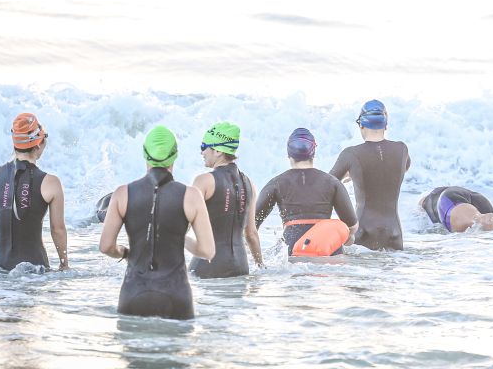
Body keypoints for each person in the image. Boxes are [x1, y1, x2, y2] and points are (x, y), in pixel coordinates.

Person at [99, 125, 215, 320]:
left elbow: (106, 246)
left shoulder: (122, 194)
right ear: (175, 155)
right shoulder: (191, 195)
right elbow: (207, 250)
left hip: (133, 295)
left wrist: (126, 252)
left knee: (133, 351)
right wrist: (180, 238)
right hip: (177, 296)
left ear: (145, 154)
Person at [0, 113, 69, 271]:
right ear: (38, 144)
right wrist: (64, 263)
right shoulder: (51, 183)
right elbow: (57, 229)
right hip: (35, 270)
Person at [255, 128, 358, 257]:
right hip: (327, 251)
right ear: (313, 153)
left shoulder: (275, 183)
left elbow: (251, 227)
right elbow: (352, 227)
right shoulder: (332, 182)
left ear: (288, 154)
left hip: (293, 249)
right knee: (350, 238)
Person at [329, 99, 410, 250]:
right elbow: (400, 169)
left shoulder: (351, 154)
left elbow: (327, 186)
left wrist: (356, 174)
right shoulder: (402, 149)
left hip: (363, 231)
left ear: (361, 124)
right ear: (385, 125)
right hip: (395, 233)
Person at [188, 122, 263, 278]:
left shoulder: (203, 181)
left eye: (204, 146)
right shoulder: (249, 183)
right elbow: (251, 234)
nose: (202, 152)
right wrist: (260, 267)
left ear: (217, 151)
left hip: (207, 268)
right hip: (240, 268)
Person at [419, 186, 493, 232]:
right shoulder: (429, 203)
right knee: (488, 223)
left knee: (480, 222)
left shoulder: (427, 205)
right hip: (474, 199)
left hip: (448, 201)